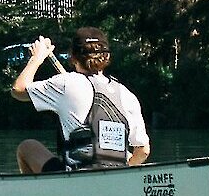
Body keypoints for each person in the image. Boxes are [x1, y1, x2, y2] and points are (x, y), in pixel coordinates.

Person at [11, 26, 150, 173]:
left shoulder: (66, 83)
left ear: (73, 57)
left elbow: (18, 90)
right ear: (107, 56)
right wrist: (124, 172)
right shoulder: (127, 95)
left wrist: (37, 58)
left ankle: (41, 195)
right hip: (115, 177)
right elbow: (143, 151)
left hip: (76, 176)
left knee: (27, 147)